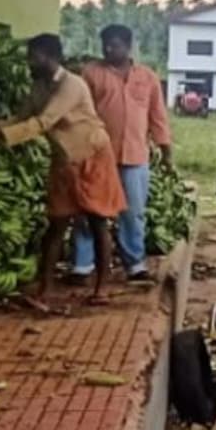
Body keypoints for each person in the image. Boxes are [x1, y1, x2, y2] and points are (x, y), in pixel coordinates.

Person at [0, 34, 125, 305]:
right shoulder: (39, 87)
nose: (30, 62)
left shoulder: (71, 85)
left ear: (50, 57)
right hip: (64, 159)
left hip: (92, 155)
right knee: (56, 224)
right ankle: (46, 286)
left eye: (34, 56)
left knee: (98, 222)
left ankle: (101, 287)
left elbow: (43, 121)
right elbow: (20, 119)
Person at [69, 24, 172, 284]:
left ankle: (134, 264)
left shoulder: (147, 77)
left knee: (133, 212)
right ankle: (82, 265)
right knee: (90, 211)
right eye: (105, 44)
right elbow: (80, 112)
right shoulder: (91, 74)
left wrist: (166, 151)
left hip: (135, 157)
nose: (108, 49)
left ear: (128, 46)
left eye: (114, 44)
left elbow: (158, 117)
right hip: (97, 155)